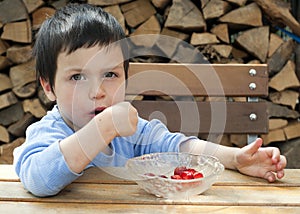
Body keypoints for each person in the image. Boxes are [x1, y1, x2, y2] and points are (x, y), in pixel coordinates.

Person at [13, 3, 287, 197]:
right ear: (48, 87)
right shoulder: (49, 132)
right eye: (77, 77)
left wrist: (235, 158)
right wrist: (103, 127)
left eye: (110, 74)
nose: (97, 91)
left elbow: (178, 146)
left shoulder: (133, 133)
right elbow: (38, 180)